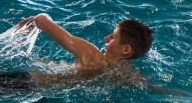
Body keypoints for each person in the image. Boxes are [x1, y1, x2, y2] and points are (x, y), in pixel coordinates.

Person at [16, 14, 153, 77]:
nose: (107, 38)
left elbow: (42, 21)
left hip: (26, 84)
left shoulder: (91, 55)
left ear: (126, 49)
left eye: (113, 37)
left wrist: (38, 19)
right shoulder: (128, 75)